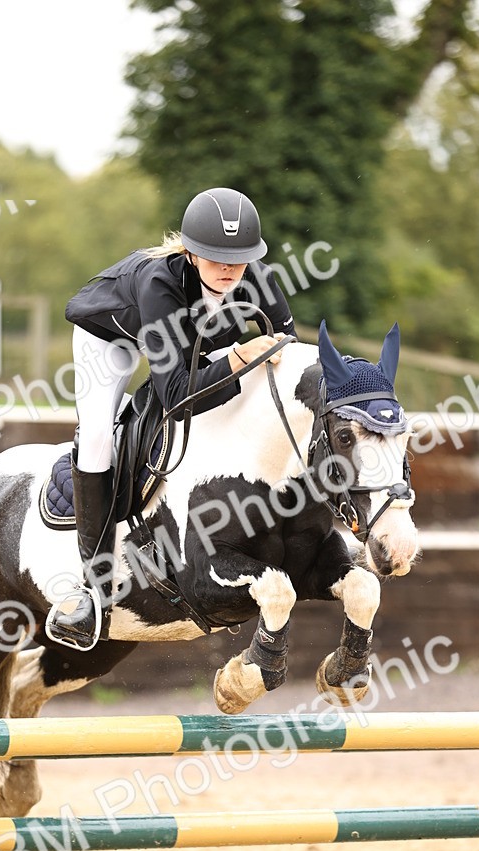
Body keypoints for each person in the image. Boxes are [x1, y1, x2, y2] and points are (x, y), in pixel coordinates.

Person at [45, 187, 297, 652]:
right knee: (100, 434)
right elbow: (177, 396)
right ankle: (92, 591)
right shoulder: (160, 283)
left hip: (189, 346)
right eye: (216, 258)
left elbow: (287, 347)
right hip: (111, 341)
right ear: (192, 252)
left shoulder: (252, 274)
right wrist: (241, 357)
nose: (229, 270)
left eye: (239, 260)